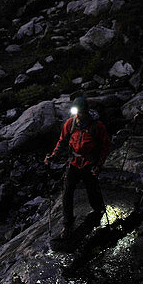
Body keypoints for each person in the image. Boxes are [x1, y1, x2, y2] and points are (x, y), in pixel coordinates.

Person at [44, 95, 110, 239]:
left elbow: (105, 146)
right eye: (76, 113)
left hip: (89, 164)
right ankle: (67, 224)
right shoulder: (70, 123)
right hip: (73, 162)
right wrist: (53, 156)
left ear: (86, 111)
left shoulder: (97, 126)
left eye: (80, 112)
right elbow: (62, 141)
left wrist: (99, 165)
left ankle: (98, 211)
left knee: (92, 190)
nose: (78, 116)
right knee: (67, 193)